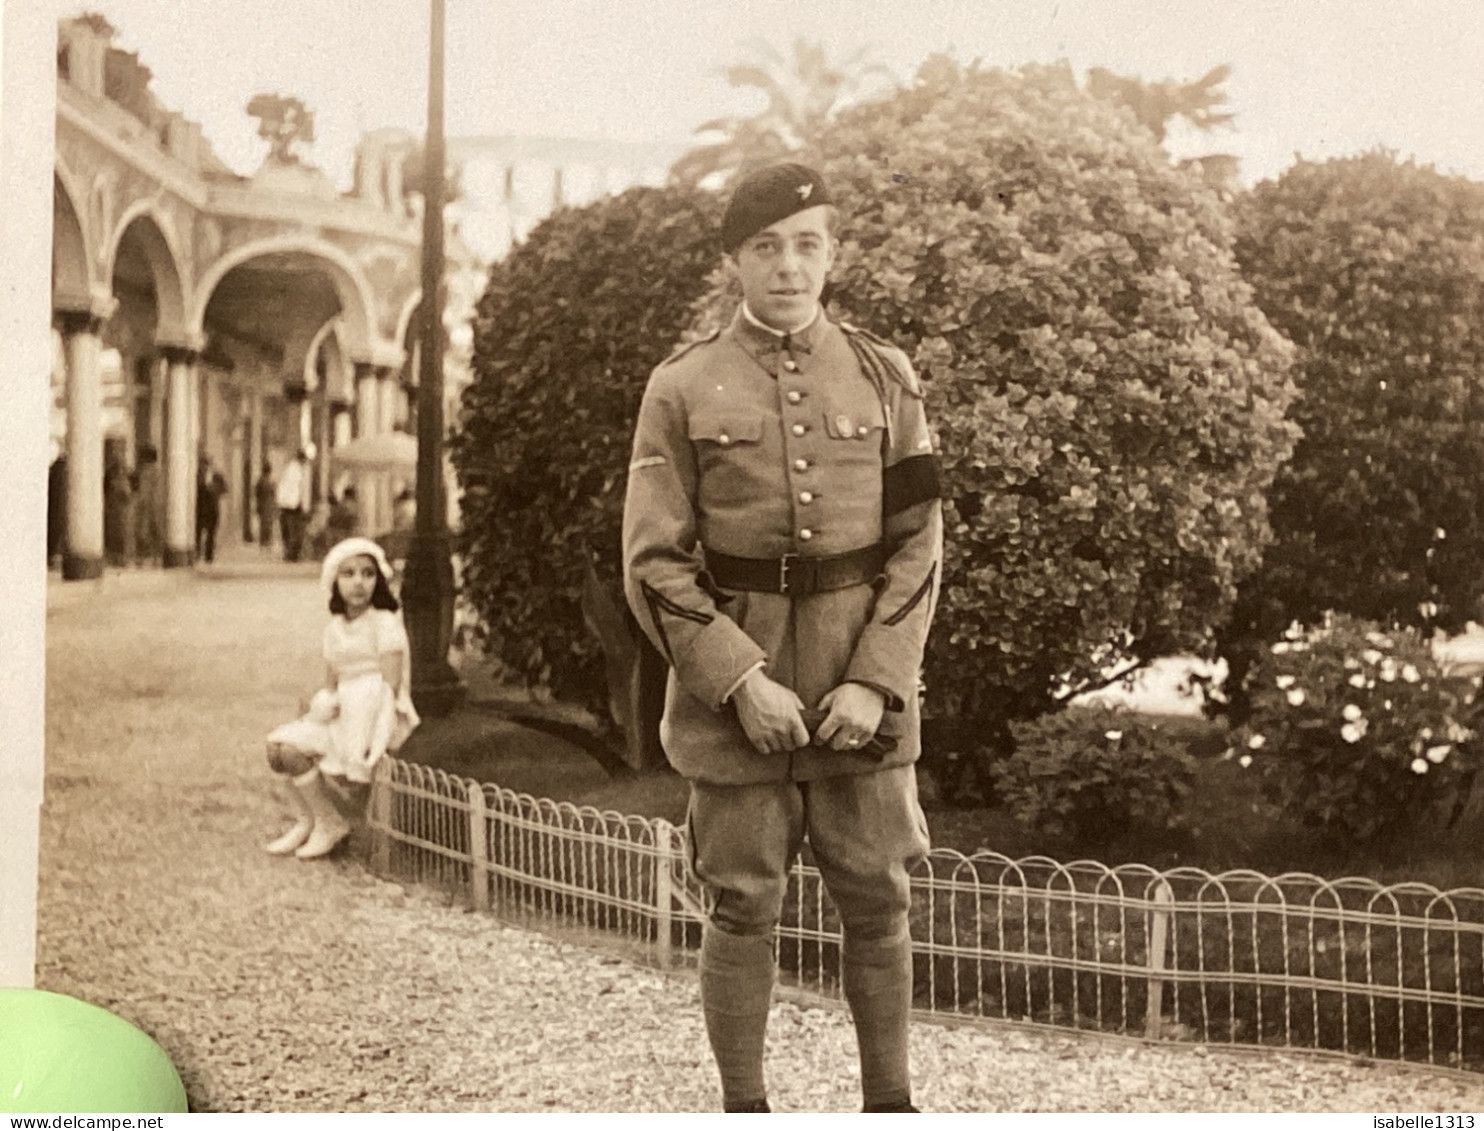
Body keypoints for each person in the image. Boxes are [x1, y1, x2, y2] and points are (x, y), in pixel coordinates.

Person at [622, 162, 944, 1113]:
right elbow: (653, 559)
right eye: (766, 247)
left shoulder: (886, 374)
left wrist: (877, 682)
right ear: (734, 261)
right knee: (741, 905)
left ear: (833, 254)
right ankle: (744, 1107)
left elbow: (919, 540)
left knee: (880, 903)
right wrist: (737, 681)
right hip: (738, 703)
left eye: (808, 244)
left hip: (860, 689)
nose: (788, 267)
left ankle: (890, 1102)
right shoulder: (680, 385)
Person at [263, 537, 420, 859]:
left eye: (367, 574)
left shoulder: (384, 623)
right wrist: (321, 707)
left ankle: (329, 823)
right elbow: (331, 684)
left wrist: (372, 743)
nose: (358, 583)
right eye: (348, 574)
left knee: (297, 751)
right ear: (334, 580)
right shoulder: (335, 628)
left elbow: (390, 689)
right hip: (344, 713)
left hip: (376, 716)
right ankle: (311, 820)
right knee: (278, 750)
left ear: (378, 580)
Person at [275, 449, 312, 562]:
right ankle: (292, 554)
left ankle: (289, 554)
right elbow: (302, 490)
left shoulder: (289, 469)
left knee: (288, 531)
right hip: (294, 506)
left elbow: (282, 487)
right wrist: (305, 506)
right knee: (295, 531)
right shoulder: (299, 470)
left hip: (285, 505)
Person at [103, 448, 134, 568]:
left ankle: (119, 557)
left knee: (120, 534)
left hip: (119, 511)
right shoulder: (118, 480)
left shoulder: (121, 480)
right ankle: (117, 557)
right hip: (115, 511)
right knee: (116, 534)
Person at [132, 445, 162, 567]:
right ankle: (156, 558)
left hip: (145, 504)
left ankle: (142, 558)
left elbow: (142, 490)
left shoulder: (144, 472)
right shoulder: (158, 471)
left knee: (142, 531)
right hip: (155, 504)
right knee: (154, 531)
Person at [195, 455, 227, 564]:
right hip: (200, 508)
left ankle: (208, 555)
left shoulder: (217, 476)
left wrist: (212, 488)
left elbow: (224, 489)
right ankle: (197, 553)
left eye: (205, 465)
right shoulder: (196, 475)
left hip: (212, 509)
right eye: (202, 465)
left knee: (211, 533)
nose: (204, 468)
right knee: (198, 532)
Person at [254, 461, 277, 553]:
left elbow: (256, 494)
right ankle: (266, 544)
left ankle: (264, 544)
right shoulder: (269, 482)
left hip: (262, 505)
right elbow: (273, 494)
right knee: (268, 525)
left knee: (264, 525)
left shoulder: (260, 481)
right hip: (268, 506)